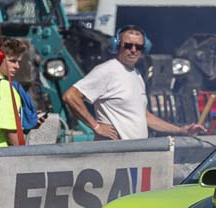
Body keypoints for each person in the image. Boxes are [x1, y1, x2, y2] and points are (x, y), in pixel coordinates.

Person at [63, 25, 205, 140]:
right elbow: (71, 96)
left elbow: (145, 117)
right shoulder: (106, 70)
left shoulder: (136, 75)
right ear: (117, 45)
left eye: (139, 47)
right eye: (128, 46)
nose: (133, 50)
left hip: (134, 155)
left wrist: (181, 131)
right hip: (113, 155)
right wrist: (96, 127)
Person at [0, 37, 44, 147]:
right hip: (5, 157)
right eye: (12, 61)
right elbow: (10, 131)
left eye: (18, 61)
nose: (17, 66)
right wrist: (22, 153)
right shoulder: (5, 88)